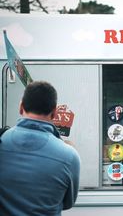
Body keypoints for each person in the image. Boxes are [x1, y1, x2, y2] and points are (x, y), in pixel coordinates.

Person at [0, 81, 80, 216]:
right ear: (54, 113)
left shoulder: (2, 142)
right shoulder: (69, 156)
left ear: (21, 107)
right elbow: (67, 203)